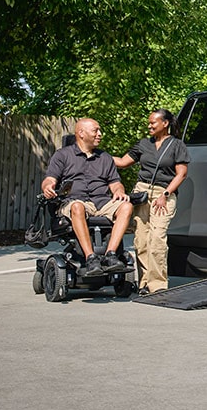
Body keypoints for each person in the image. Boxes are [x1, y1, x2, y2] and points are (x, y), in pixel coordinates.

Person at [42, 118, 133, 277]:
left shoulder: (105, 157)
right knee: (78, 206)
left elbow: (115, 183)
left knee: (127, 206)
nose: (100, 134)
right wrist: (47, 187)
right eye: (95, 131)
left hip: (101, 202)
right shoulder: (63, 155)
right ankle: (91, 258)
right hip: (73, 202)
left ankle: (110, 255)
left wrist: (119, 191)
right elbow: (50, 179)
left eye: (99, 131)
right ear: (81, 133)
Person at [114, 109, 189, 294]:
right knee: (141, 240)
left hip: (163, 194)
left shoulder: (177, 145)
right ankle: (144, 284)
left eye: (153, 123)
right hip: (142, 193)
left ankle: (157, 285)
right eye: (149, 123)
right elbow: (123, 162)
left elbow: (182, 174)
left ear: (165, 124)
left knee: (157, 239)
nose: (149, 126)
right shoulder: (143, 144)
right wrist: (98, 155)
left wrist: (165, 194)